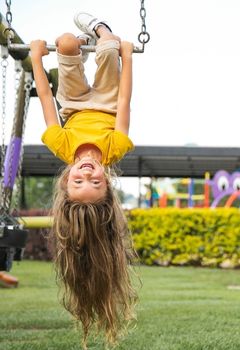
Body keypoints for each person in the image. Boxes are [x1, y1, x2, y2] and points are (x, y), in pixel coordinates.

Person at [30, 12, 138, 347]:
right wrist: (128, 59)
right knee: (108, 47)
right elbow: (123, 102)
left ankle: (78, 43)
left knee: (63, 41)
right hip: (106, 103)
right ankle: (100, 29)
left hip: (73, 105)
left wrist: (36, 58)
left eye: (79, 183)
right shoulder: (115, 148)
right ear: (108, 183)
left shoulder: (62, 147)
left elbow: (47, 100)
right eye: (96, 184)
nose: (87, 175)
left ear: (66, 182)